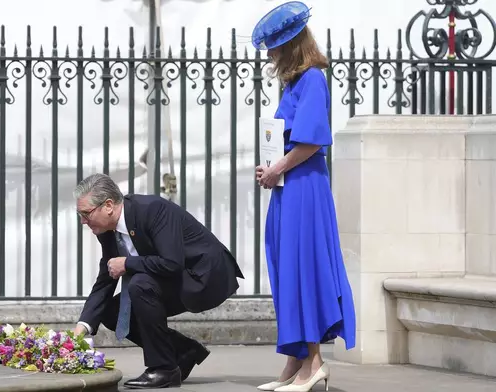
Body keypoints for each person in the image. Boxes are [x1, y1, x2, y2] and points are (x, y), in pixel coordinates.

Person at [252, 2, 356, 392]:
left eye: (275, 47)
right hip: (291, 185)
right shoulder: (296, 82)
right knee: (288, 266)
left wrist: (277, 167)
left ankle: (314, 364)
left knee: (304, 268)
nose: (270, 54)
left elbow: (312, 141)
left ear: (291, 45)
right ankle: (297, 363)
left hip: (304, 186)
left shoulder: (312, 79)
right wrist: (273, 167)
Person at [71, 173, 244, 389]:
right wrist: (81, 329)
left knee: (141, 285)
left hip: (203, 276)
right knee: (111, 310)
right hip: (173, 276)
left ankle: (163, 369)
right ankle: (182, 352)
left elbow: (172, 263)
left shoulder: (152, 209)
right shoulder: (107, 231)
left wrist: (128, 263)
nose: (82, 221)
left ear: (108, 205)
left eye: (86, 213)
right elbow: (107, 277)